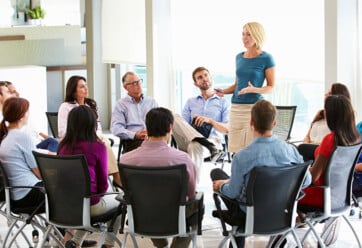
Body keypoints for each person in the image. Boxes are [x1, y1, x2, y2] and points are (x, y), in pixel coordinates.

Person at [211, 99, 310, 248]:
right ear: (275, 123)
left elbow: (232, 193)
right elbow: (307, 180)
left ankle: (238, 237)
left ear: (251, 122)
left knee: (217, 174)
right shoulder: (291, 150)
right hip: (282, 214)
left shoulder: (242, 157)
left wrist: (221, 187)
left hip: (251, 216)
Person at [119, 107, 198, 248]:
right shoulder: (183, 159)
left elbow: (127, 190)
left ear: (146, 128)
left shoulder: (125, 160)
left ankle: (160, 244)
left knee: (147, 203)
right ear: (170, 128)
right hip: (175, 218)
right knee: (197, 205)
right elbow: (191, 193)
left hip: (142, 218)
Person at [297, 95, 361, 246]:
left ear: (331, 115)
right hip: (340, 196)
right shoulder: (355, 137)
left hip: (320, 196)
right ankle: (297, 221)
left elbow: (312, 178)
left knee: (283, 192)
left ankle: (280, 231)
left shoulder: (330, 140)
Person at [58, 106, 123, 248]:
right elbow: (103, 185)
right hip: (88, 204)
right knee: (120, 203)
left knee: (85, 204)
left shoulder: (63, 146)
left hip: (64, 206)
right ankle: (108, 244)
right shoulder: (98, 146)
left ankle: (75, 242)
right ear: (92, 124)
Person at [214, 22, 275, 153]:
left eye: (248, 34)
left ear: (257, 36)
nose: (244, 37)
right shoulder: (239, 57)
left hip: (253, 108)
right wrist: (224, 91)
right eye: (243, 34)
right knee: (235, 150)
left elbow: (271, 87)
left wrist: (253, 89)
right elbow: (237, 84)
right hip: (236, 108)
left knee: (250, 149)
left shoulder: (266, 58)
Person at [57, 75, 121, 188]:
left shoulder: (91, 104)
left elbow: (98, 127)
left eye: (86, 85)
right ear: (73, 90)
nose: (86, 88)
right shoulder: (66, 107)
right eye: (82, 86)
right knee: (103, 145)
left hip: (93, 136)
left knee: (103, 142)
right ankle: (116, 177)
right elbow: (63, 132)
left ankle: (114, 176)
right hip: (75, 138)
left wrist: (97, 136)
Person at [172, 66, 229, 178]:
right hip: (189, 140)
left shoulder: (223, 102)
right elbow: (183, 125)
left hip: (213, 140)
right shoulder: (190, 102)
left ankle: (192, 189)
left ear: (211, 78)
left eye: (206, 75)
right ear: (196, 83)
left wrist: (210, 121)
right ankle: (207, 144)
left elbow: (226, 129)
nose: (204, 79)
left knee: (195, 145)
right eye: (199, 77)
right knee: (172, 116)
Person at [0, 97, 44, 212]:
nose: (29, 114)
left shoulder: (5, 138)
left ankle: (59, 229)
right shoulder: (22, 137)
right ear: (21, 115)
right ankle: (65, 229)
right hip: (29, 193)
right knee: (68, 192)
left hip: (15, 196)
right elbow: (38, 173)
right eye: (27, 111)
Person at [0, 81, 58, 153]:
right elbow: (31, 155)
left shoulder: (14, 125)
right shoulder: (16, 132)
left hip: (33, 147)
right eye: (9, 92)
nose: (18, 94)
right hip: (30, 150)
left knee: (53, 142)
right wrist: (50, 154)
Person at [110, 71, 158, 153]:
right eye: (134, 83)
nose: (138, 85)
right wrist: (135, 135)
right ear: (126, 87)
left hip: (153, 138)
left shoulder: (151, 101)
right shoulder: (121, 104)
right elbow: (116, 128)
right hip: (134, 141)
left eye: (139, 81)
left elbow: (158, 122)